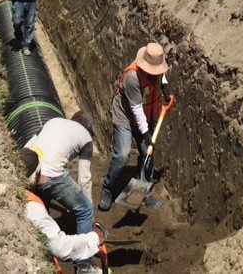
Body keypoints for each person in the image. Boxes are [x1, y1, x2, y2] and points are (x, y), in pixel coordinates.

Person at [98, 42, 174, 212]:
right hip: (126, 116)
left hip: (148, 113)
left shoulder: (157, 71)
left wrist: (166, 88)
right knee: (123, 156)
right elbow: (136, 110)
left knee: (148, 152)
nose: (155, 73)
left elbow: (161, 76)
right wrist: (147, 134)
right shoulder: (132, 77)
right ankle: (108, 189)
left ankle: (143, 192)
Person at [25, 112, 99, 272]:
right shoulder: (86, 137)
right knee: (85, 210)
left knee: (43, 204)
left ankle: (41, 249)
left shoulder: (53, 121)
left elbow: (30, 144)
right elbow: (84, 178)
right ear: (88, 128)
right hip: (50, 174)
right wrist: (89, 208)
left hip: (31, 169)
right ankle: (84, 266)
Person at [20, 148, 110, 274]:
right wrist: (94, 239)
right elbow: (60, 247)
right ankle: (84, 268)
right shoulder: (32, 206)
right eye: (40, 173)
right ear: (32, 176)